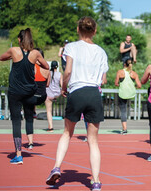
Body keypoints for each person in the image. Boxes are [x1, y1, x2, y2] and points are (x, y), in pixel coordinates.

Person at [46, 17, 108, 191]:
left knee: (67, 133)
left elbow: (68, 71)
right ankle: (95, 181)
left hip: (77, 90)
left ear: (77, 30)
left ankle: (56, 167)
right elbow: (103, 79)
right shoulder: (101, 51)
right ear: (94, 31)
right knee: (93, 141)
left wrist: (64, 88)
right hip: (94, 92)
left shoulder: (71, 47)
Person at [0, 28, 49, 164]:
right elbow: (46, 67)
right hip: (29, 92)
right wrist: (36, 61)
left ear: (19, 40)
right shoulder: (35, 53)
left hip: (15, 92)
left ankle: (18, 154)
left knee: (16, 122)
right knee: (28, 116)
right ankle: (30, 139)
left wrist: (12, 57)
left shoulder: (14, 50)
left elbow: (1, 58)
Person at [28, 48, 50, 149]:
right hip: (42, 96)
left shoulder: (31, 68)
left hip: (32, 97)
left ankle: (30, 142)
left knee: (29, 120)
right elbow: (48, 84)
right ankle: (33, 112)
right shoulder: (47, 69)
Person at [115, 58, 141, 135]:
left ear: (124, 64)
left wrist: (120, 84)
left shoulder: (120, 72)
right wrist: (133, 86)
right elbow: (139, 85)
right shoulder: (134, 74)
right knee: (128, 106)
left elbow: (116, 83)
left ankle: (124, 128)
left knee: (123, 111)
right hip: (131, 93)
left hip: (123, 93)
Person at [45, 61, 63, 132]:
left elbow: (46, 83)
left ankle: (51, 127)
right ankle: (55, 99)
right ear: (57, 67)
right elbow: (61, 84)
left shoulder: (48, 73)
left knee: (48, 111)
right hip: (57, 93)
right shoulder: (59, 74)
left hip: (49, 94)